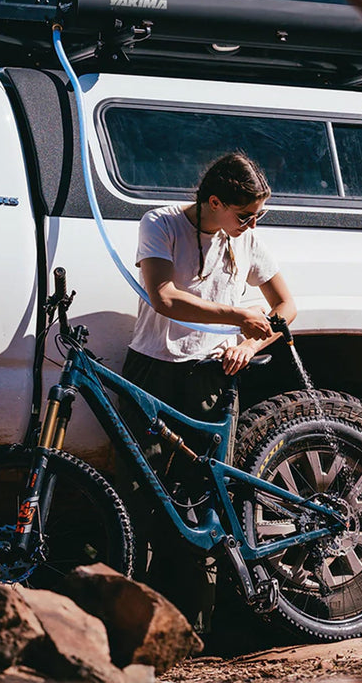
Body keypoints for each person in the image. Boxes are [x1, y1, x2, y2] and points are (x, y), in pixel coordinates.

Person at [119, 150, 296, 631]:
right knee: (144, 490)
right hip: (152, 370)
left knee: (204, 493)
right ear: (213, 201)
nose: (253, 222)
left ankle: (198, 623)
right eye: (245, 214)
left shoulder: (248, 240)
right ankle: (145, 619)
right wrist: (239, 315)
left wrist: (252, 340)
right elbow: (164, 296)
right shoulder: (161, 224)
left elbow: (286, 305)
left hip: (210, 376)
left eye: (260, 213)